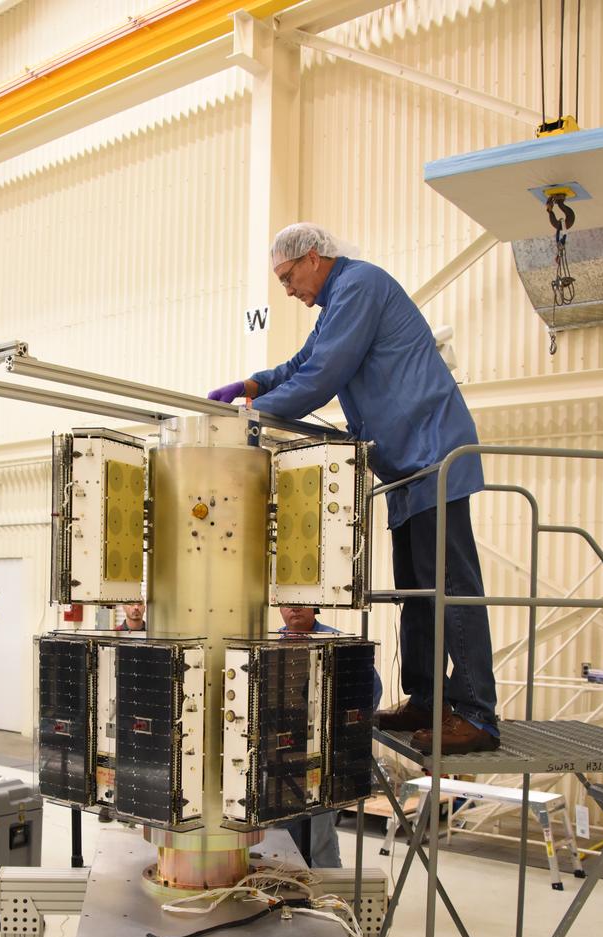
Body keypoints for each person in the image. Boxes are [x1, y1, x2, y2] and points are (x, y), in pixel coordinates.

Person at [209, 223, 498, 755]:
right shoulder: (336, 303)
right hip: (404, 468)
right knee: (417, 591)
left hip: (433, 453)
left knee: (451, 588)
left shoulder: (360, 285)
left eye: (289, 276)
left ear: (314, 257)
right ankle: (427, 700)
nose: (288, 290)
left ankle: (478, 712)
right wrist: (253, 385)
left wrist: (251, 422)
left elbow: (322, 376)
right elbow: (301, 365)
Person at [276, 605, 382, 869]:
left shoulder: (336, 643)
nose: (295, 607)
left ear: (315, 604)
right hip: (281, 757)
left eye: (301, 600)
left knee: (318, 835)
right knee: (279, 833)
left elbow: (371, 690)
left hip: (322, 757)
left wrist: (342, 730)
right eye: (287, 602)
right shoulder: (272, 643)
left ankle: (328, 900)